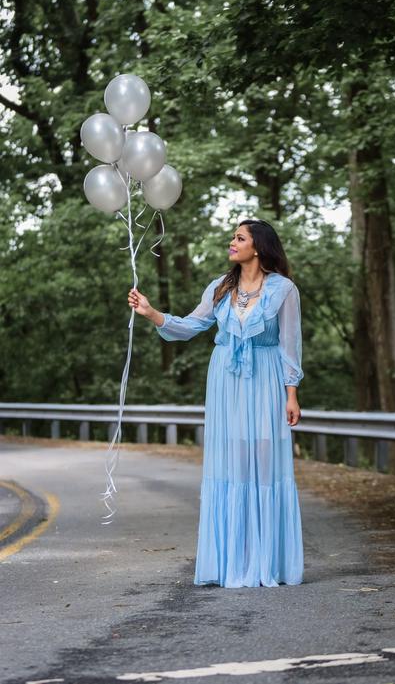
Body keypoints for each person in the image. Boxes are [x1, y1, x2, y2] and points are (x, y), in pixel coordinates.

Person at [128, 218, 304, 588]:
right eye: (233, 237)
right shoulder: (221, 287)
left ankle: (267, 560)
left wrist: (291, 395)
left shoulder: (284, 290)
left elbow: (290, 345)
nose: (232, 242)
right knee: (232, 463)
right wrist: (151, 312)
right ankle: (232, 562)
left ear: (258, 247)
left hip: (266, 379)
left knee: (265, 461)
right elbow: (191, 326)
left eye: (239, 237)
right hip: (225, 380)